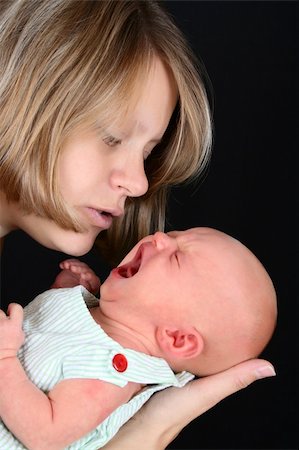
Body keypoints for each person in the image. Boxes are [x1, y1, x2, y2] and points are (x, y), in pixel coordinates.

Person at [0, 1, 276, 448]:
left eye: (147, 153)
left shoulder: (115, 364)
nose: (139, 181)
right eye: (113, 137)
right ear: (22, 98)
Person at [0, 227, 277, 449]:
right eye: (174, 235)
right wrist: (64, 292)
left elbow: (45, 436)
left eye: (177, 257)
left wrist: (4, 355)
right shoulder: (99, 319)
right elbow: (46, 352)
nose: (160, 238)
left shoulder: (111, 374)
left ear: (177, 338)